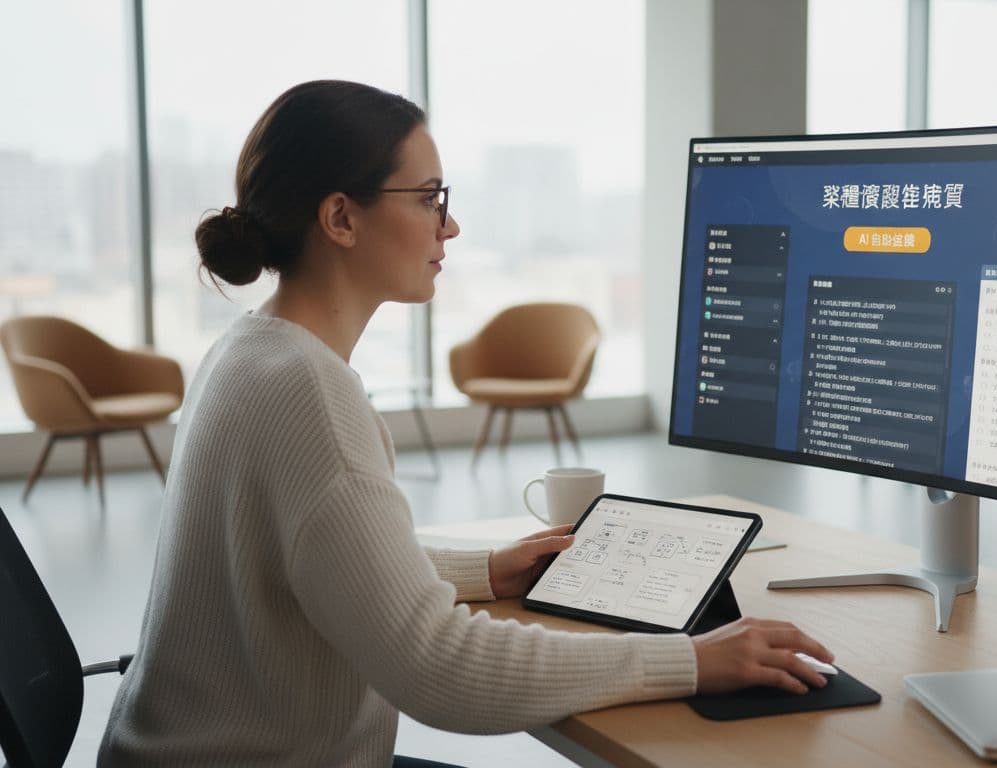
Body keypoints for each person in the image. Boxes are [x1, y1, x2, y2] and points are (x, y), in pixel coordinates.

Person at [98, 79, 832, 768]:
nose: (450, 223)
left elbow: (307, 560)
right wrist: (692, 661)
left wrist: (479, 570)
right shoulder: (309, 393)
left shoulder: (250, 351)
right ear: (341, 218)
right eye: (428, 197)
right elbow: (440, 668)